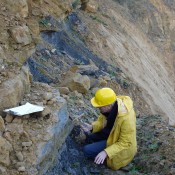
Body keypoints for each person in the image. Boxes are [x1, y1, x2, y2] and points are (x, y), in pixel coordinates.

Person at [81, 87, 137, 170]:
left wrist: (106, 152)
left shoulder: (126, 119)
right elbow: (101, 122)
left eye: (100, 107)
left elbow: (124, 143)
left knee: (86, 150)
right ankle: (99, 150)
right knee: (89, 138)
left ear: (108, 105)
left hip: (121, 149)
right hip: (111, 136)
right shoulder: (111, 106)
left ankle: (103, 161)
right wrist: (92, 127)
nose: (98, 108)